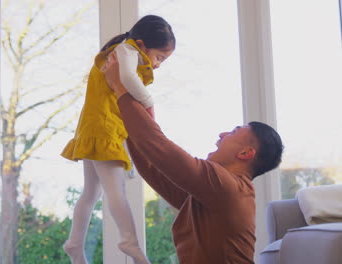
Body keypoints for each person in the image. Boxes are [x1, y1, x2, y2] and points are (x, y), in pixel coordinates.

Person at [101, 51, 284, 264]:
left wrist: (121, 89)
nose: (221, 135)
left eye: (233, 133)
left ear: (245, 153)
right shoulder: (208, 195)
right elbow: (153, 165)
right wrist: (134, 105)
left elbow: (158, 147)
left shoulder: (226, 187)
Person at [61, 15, 175, 264]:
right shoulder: (126, 50)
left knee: (91, 192)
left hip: (94, 127)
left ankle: (74, 244)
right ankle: (129, 240)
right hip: (101, 128)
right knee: (116, 190)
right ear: (142, 44)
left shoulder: (124, 53)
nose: (157, 65)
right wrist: (149, 102)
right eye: (159, 58)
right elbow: (128, 78)